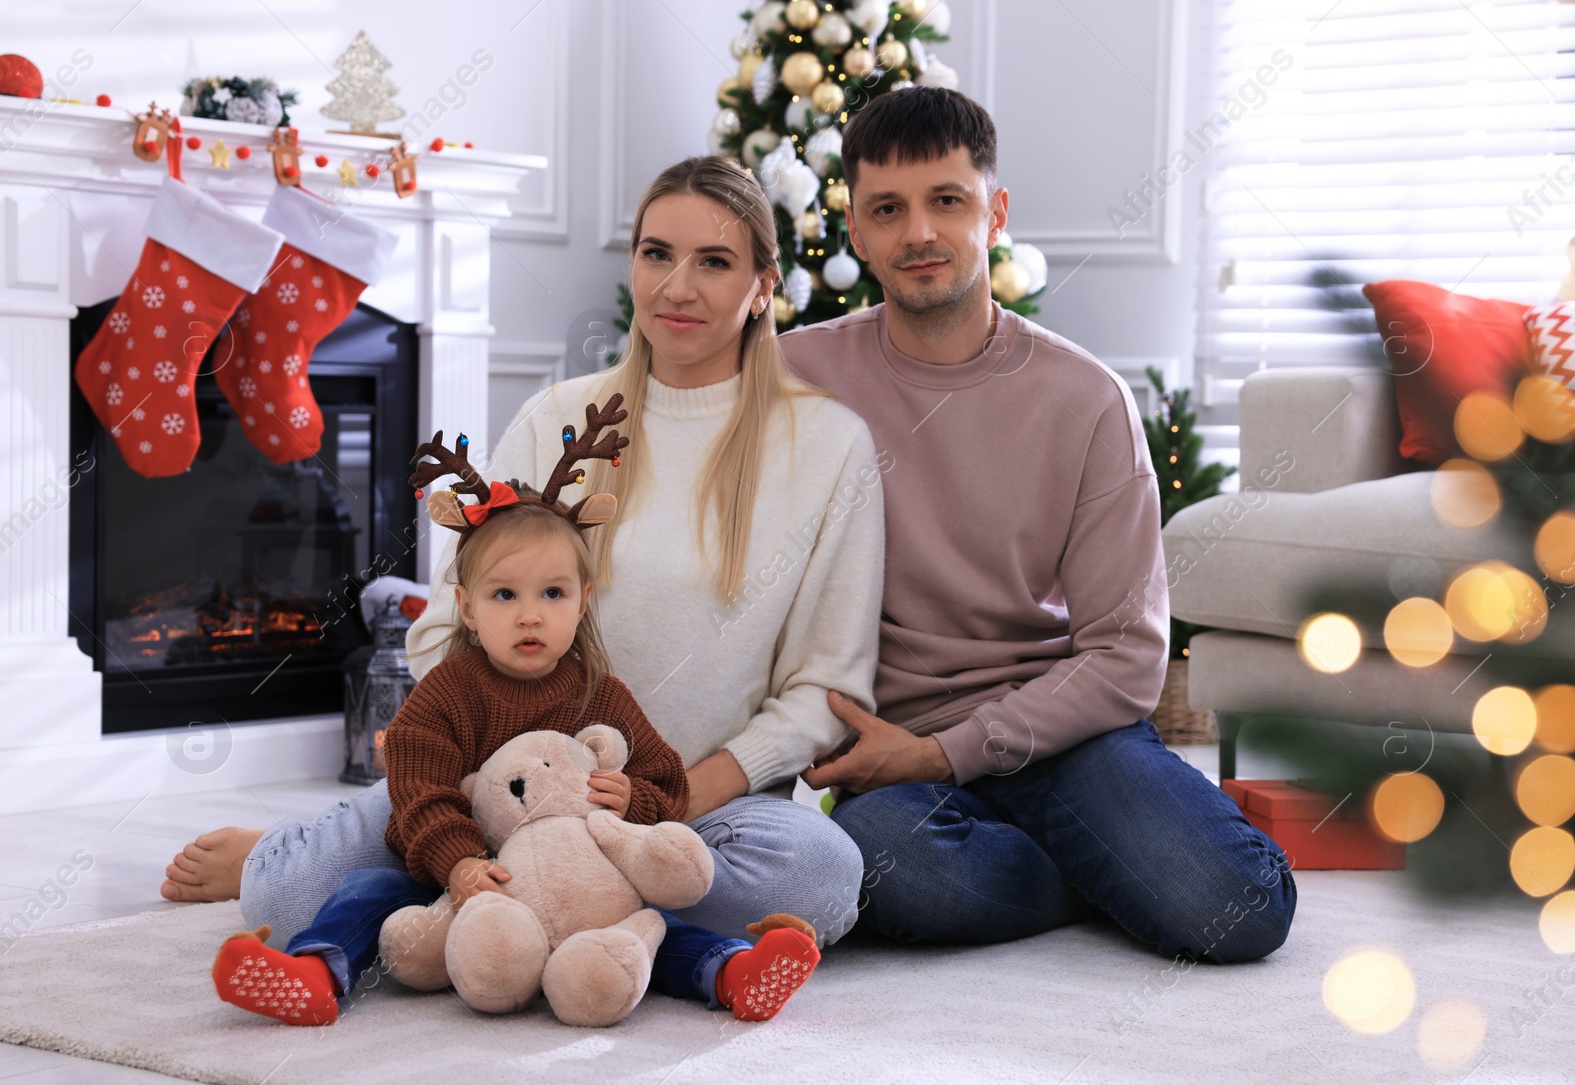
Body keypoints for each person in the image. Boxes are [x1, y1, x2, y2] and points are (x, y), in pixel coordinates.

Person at [162, 154, 884, 1014]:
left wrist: (675, 795)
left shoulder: (831, 446)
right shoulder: (558, 420)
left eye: (714, 262)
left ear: (763, 285)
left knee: (822, 873)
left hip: (682, 811)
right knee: (284, 894)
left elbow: (824, 689)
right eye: (656, 254)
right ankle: (463, 884)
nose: (676, 286)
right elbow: (448, 622)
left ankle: (491, 908)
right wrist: (459, 774)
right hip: (495, 799)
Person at [786, 87, 1296, 962]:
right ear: (859, 233)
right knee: (878, 868)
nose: (919, 233)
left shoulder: (1085, 397)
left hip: (1064, 732)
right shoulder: (795, 374)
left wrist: (948, 754)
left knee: (1238, 905)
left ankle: (1094, 860)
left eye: (947, 200)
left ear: (995, 213)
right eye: (887, 210)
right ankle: (1094, 876)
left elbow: (1128, 653)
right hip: (893, 744)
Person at [212, 442, 816, 1025]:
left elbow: (665, 782)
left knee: (651, 921)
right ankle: (316, 974)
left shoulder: (601, 694)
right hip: (467, 883)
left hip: (582, 882)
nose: (530, 615)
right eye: (505, 595)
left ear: (581, 604)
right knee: (367, 889)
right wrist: (458, 865)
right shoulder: (447, 693)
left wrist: (635, 801)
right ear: (468, 608)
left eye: (553, 593)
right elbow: (420, 795)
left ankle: (733, 973)